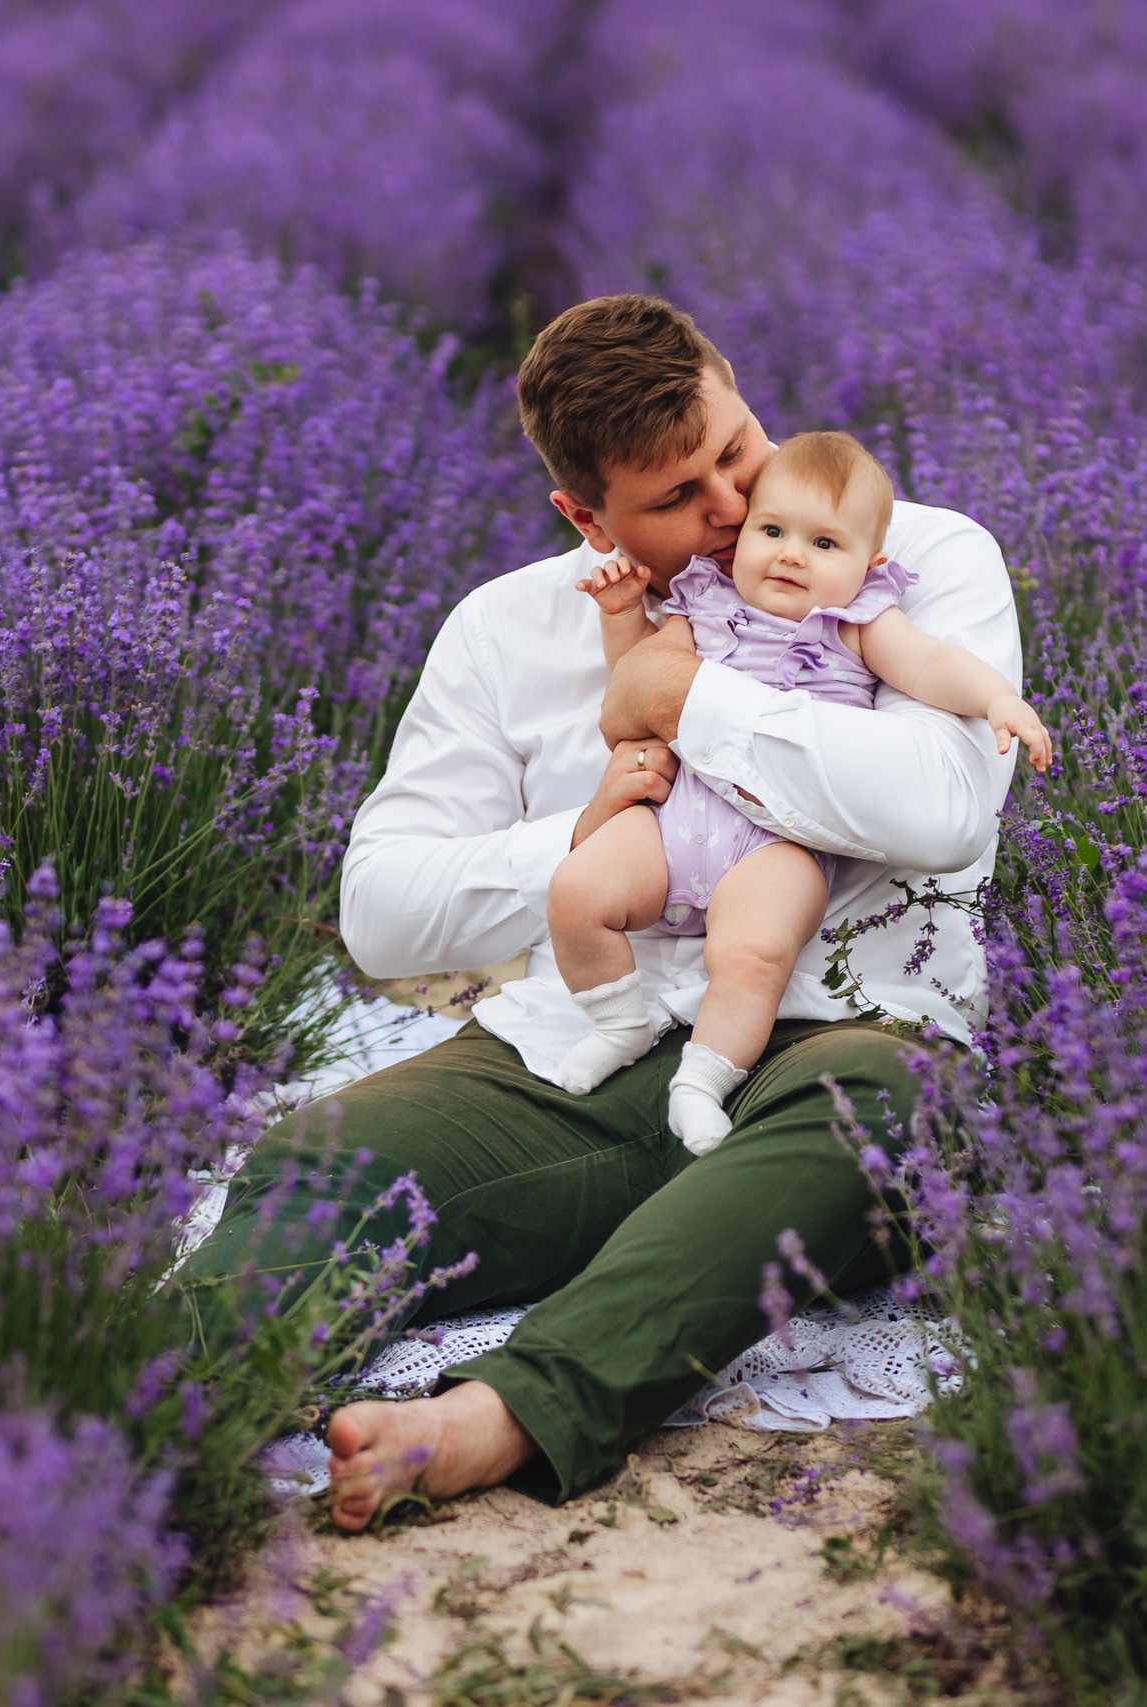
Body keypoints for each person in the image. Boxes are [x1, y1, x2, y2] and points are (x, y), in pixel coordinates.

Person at [181, 294, 1026, 1530]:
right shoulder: (508, 629)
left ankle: (493, 1420)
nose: (736, 510)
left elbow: (945, 805)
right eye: (680, 496)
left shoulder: (918, 557)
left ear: (740, 385)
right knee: (321, 1161)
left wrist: (691, 707)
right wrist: (584, 842)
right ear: (585, 517)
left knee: (882, 1114)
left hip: (845, 1033)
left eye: (735, 450)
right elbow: (381, 913)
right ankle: (146, 1419)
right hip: (589, 1045)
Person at [549, 430, 1051, 1154]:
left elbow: (933, 663)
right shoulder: (702, 602)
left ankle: (703, 1078)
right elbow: (636, 686)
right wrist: (622, 614)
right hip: (676, 819)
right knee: (575, 891)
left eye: (824, 544)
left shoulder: (860, 624)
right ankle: (621, 1023)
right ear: (742, 533)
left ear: (868, 565)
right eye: (773, 530)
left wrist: (998, 699)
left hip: (781, 841)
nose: (791, 553)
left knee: (753, 954)